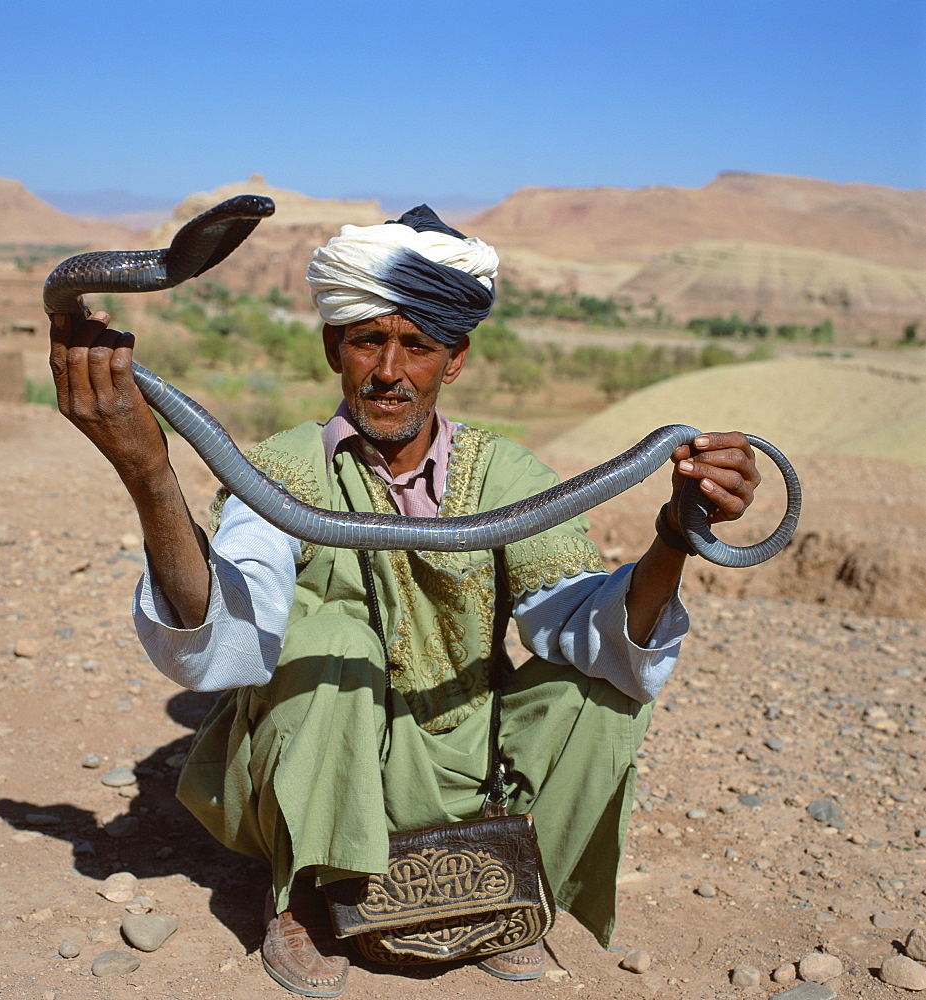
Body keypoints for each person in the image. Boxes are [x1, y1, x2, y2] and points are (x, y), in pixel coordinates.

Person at [49, 206, 760, 998]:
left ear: (453, 359)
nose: (389, 371)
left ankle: (506, 886)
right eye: (367, 340)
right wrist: (149, 472)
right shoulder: (279, 468)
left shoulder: (505, 473)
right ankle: (307, 896)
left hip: (465, 762)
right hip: (313, 767)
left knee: (604, 694)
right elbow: (224, 645)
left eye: (417, 345)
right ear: (333, 348)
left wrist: (675, 533)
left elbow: (582, 628)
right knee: (335, 635)